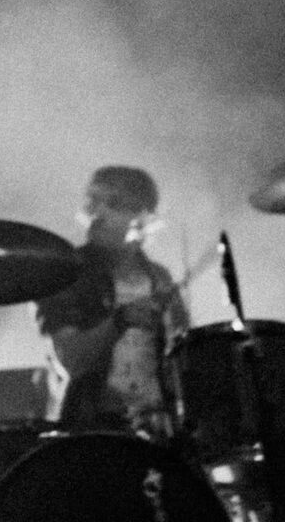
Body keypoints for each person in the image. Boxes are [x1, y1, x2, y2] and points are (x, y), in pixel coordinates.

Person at [36, 165, 188, 434]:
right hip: (89, 430)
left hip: (158, 427)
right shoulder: (65, 273)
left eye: (115, 204)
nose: (98, 213)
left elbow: (183, 360)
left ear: (144, 217)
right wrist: (120, 320)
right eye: (93, 201)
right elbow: (72, 360)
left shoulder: (160, 278)